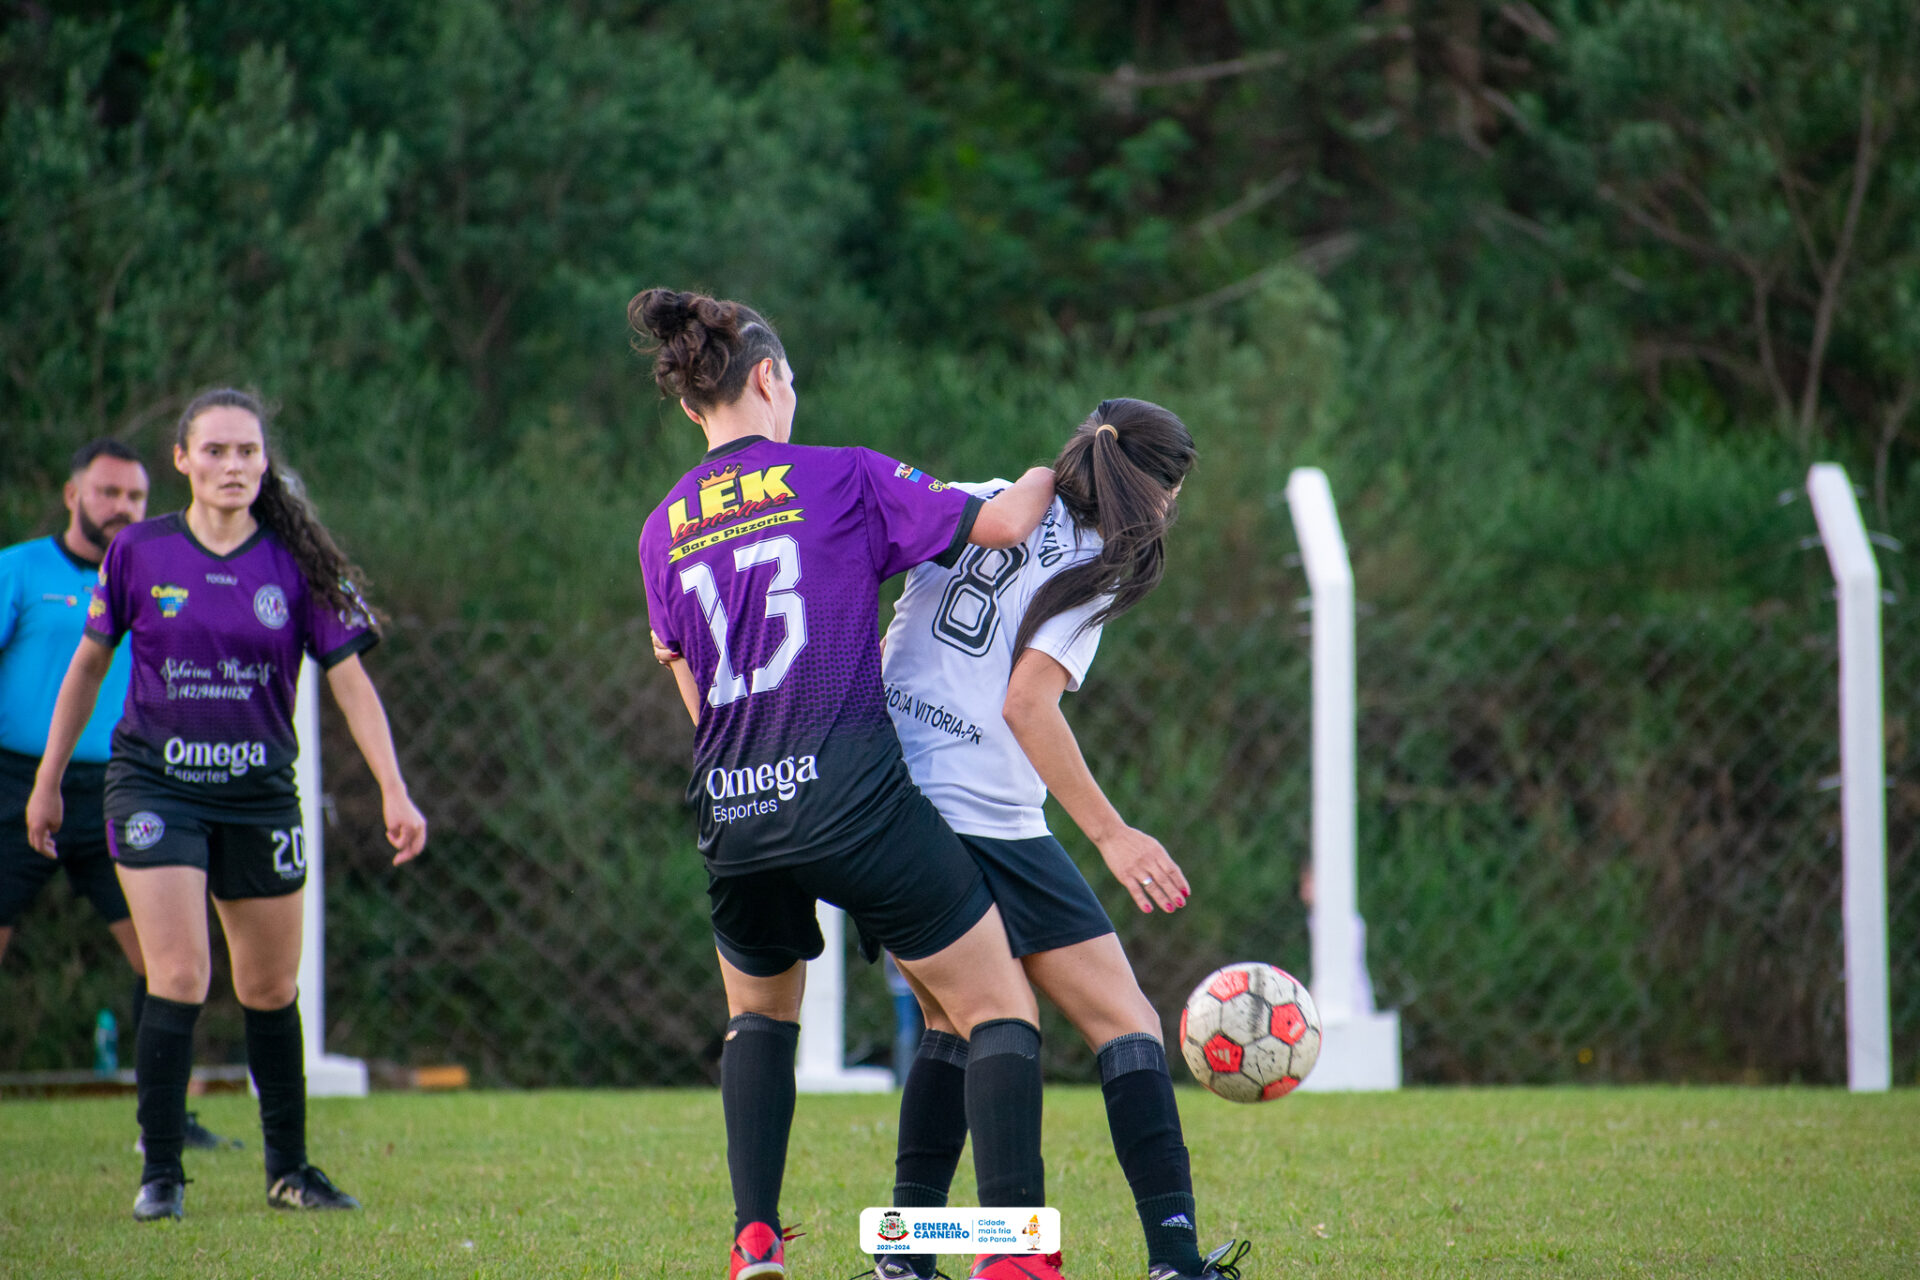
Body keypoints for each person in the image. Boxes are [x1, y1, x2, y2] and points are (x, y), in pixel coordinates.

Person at [631, 288, 1064, 1280]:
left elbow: (695, 695)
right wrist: (1049, 470)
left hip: (734, 807)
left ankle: (756, 1238)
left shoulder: (660, 529)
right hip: (851, 796)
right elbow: (998, 523)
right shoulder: (841, 478)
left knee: (758, 1018)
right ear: (771, 378)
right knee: (998, 1008)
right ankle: (1012, 1257)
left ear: (696, 404)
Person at [26, 389, 428, 1223]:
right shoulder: (138, 551)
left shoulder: (298, 562)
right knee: (179, 974)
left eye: (248, 452)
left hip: (256, 796)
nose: (234, 466)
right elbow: (88, 670)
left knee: (270, 987)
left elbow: (351, 683)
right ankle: (163, 1173)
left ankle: (289, 1172)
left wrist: (394, 786)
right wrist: (48, 777)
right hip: (155, 788)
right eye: (215, 451)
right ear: (182, 460)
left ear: (264, 463)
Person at [873, 399, 1246, 1280]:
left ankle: (907, 1257)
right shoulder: (1096, 563)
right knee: (1124, 1022)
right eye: (1175, 493)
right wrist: (1114, 836)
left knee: (951, 1024)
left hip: (889, 804)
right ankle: (1171, 1259)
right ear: (1151, 489)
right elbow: (1026, 704)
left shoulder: (979, 498)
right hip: (983, 814)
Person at [2, 439, 239, 1151]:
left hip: (120, 787)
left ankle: (161, 1123)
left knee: (169, 963)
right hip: (17, 785)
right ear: (74, 495)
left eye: (135, 497)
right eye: (108, 494)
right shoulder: (19, 570)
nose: (122, 509)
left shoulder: (155, 576)